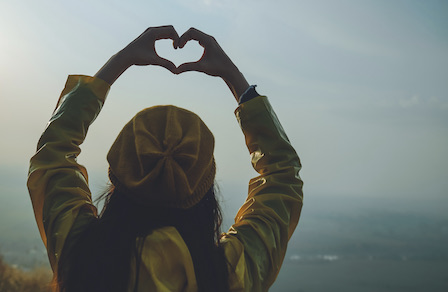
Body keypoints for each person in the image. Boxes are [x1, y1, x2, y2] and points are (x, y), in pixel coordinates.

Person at [27, 26, 303, 292]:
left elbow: (53, 153)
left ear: (119, 174)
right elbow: (282, 176)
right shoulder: (231, 272)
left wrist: (121, 60)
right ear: (204, 189)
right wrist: (234, 78)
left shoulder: (80, 251)